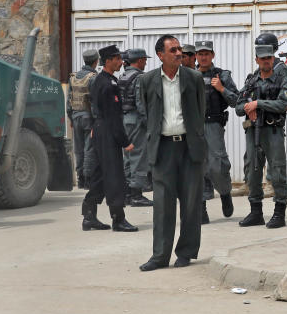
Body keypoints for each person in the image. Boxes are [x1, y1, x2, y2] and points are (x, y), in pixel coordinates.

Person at [137, 34, 208, 271]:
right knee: (162, 204)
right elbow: (145, 113)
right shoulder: (147, 81)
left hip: (189, 147)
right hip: (163, 147)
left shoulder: (194, 78)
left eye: (179, 49)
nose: (179, 53)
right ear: (160, 55)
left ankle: (186, 252)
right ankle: (159, 256)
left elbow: (200, 111)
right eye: (173, 50)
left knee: (190, 203)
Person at [81, 45, 138, 233]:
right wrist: (124, 141)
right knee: (114, 176)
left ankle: (89, 216)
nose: (121, 62)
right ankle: (118, 219)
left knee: (99, 174)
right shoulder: (107, 83)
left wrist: (93, 128)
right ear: (108, 61)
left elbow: (92, 107)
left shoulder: (101, 80)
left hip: (100, 129)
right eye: (118, 59)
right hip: (107, 131)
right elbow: (113, 116)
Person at [236, 43, 287, 229]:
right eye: (263, 58)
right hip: (253, 132)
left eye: (269, 58)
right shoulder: (251, 81)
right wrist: (247, 107)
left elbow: (283, 103)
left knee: (277, 172)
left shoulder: (280, 78)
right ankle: (256, 212)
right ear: (257, 60)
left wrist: (258, 104)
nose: (266, 61)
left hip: (272, 131)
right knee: (253, 171)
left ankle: (279, 213)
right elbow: (238, 106)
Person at [195, 39, 238, 223]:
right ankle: (201, 207)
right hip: (193, 127)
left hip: (213, 125)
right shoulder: (188, 75)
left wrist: (221, 89)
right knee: (197, 166)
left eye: (207, 53)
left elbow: (236, 100)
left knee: (217, 165)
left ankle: (225, 192)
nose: (203, 57)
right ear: (196, 56)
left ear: (212, 55)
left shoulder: (222, 75)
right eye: (200, 54)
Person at [119, 48, 154, 208]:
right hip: (136, 119)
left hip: (124, 119)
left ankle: (126, 192)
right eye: (144, 59)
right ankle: (136, 195)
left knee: (128, 156)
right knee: (139, 156)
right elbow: (141, 102)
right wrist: (147, 122)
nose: (146, 62)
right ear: (139, 60)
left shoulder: (123, 76)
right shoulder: (139, 77)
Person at [67, 48, 98, 189]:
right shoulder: (93, 77)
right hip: (89, 118)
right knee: (89, 149)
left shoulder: (73, 77)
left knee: (78, 149)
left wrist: (71, 118)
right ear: (95, 62)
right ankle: (88, 180)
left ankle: (80, 179)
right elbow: (95, 101)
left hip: (76, 116)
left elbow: (69, 100)